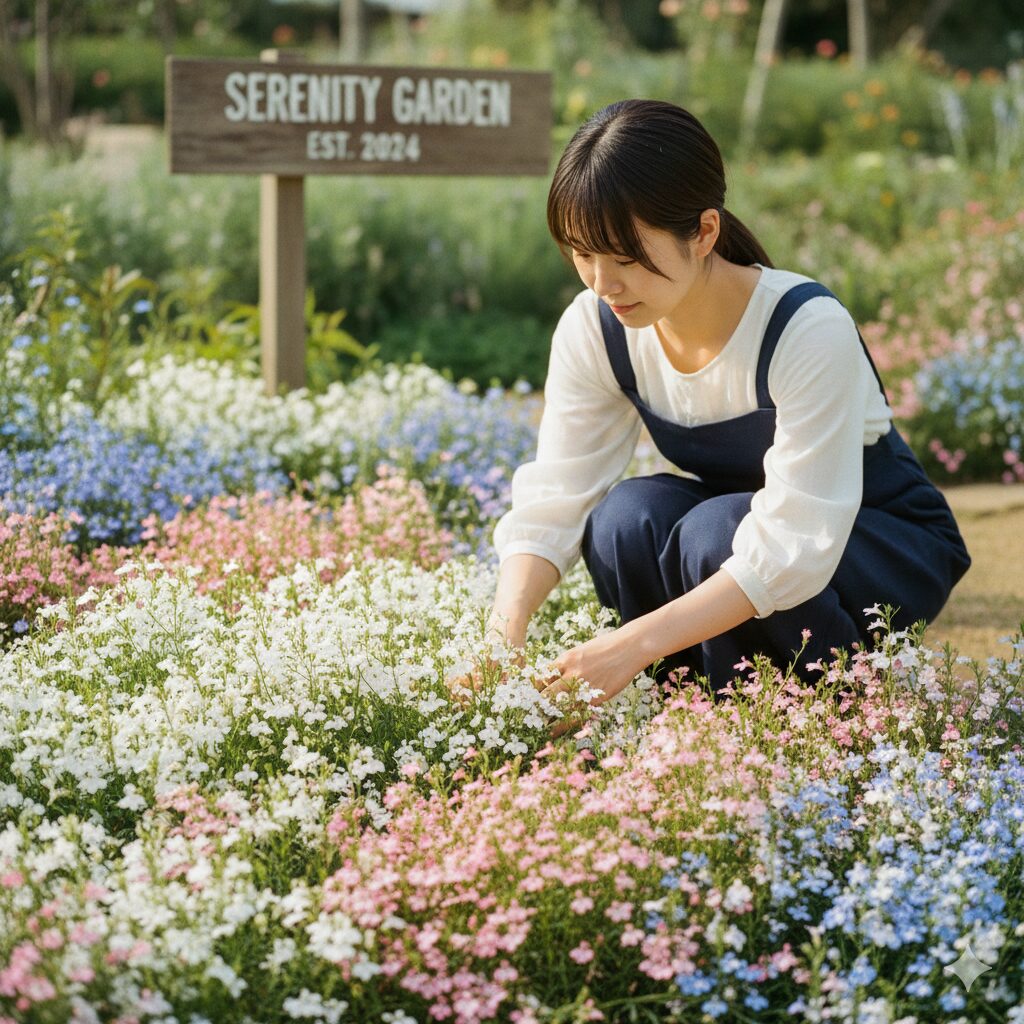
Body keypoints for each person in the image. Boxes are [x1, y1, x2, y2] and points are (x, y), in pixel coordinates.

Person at [467, 99, 971, 714]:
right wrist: (503, 634)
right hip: (742, 529)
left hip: (869, 545)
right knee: (625, 516)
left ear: (704, 232)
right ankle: (686, 717)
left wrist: (630, 645)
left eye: (625, 259)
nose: (602, 284)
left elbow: (792, 541)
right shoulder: (596, 327)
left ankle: (823, 714)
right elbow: (558, 494)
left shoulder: (804, 326)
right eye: (581, 254)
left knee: (717, 533)